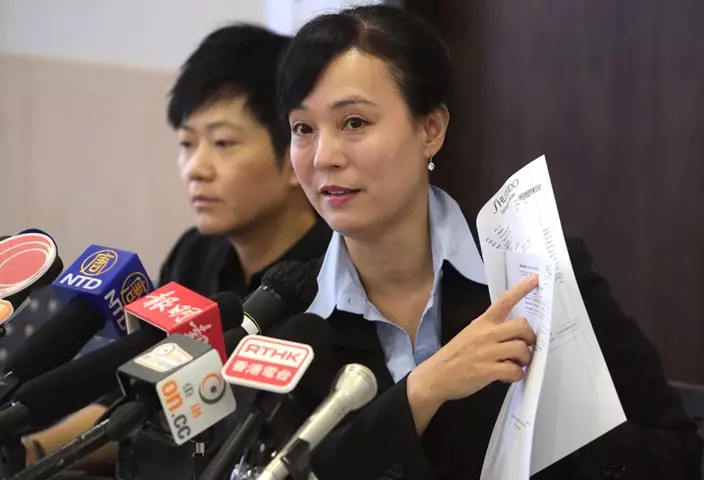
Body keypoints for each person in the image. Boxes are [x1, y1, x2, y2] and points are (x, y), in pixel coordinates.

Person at [274, 5, 702, 479]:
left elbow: (677, 453)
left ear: (430, 129)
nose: (324, 157)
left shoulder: (536, 272)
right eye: (303, 129)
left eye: (354, 122)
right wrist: (422, 393)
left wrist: (557, 424)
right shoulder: (289, 317)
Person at [21, 24, 331, 478]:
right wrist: (28, 450)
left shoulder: (330, 273)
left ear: (294, 153)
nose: (195, 168)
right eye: (187, 143)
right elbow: (130, 405)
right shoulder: (196, 253)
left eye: (223, 143)